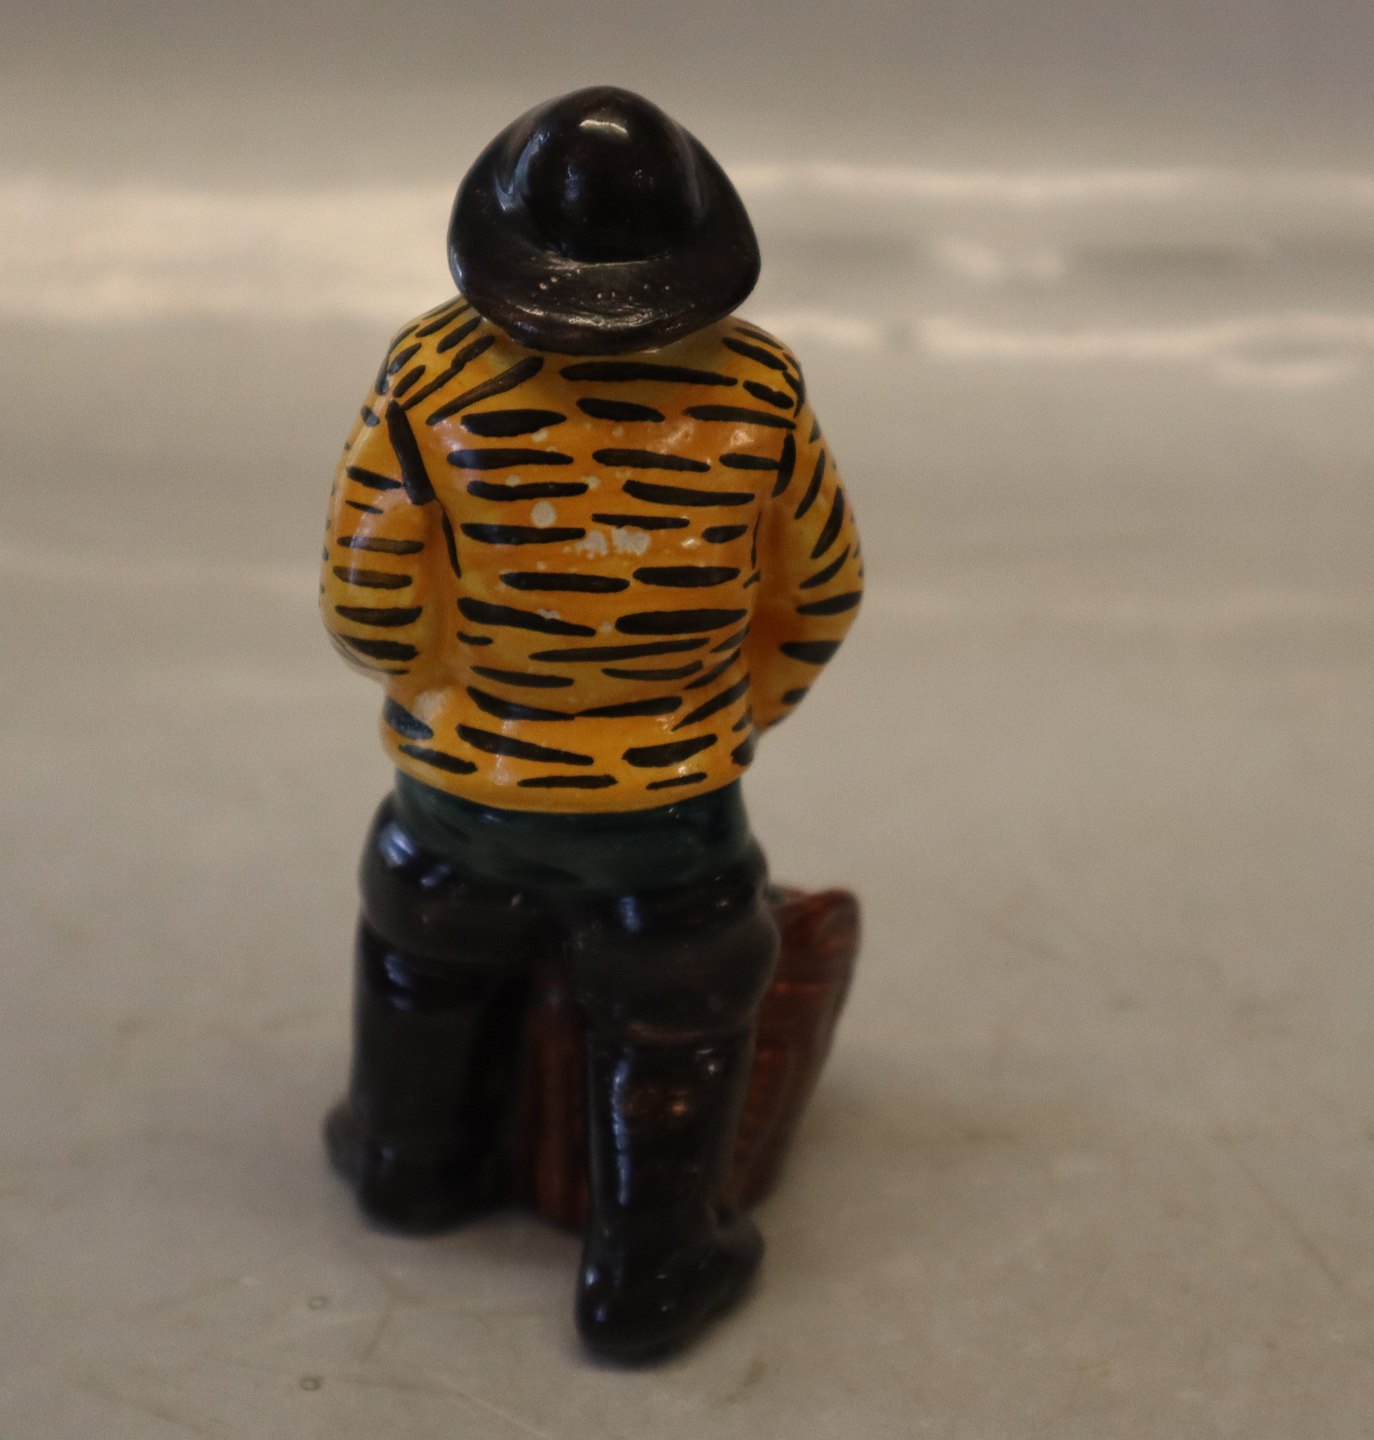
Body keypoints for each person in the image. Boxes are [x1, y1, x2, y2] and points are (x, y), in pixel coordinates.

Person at [319, 86, 863, 1362]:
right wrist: (725, 715)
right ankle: (652, 1268)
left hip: (466, 787)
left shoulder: (431, 374)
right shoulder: (759, 389)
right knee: (676, 1019)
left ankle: (410, 1162)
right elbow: (821, 589)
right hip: (669, 811)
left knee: (421, 958)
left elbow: (366, 598)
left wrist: (451, 706)